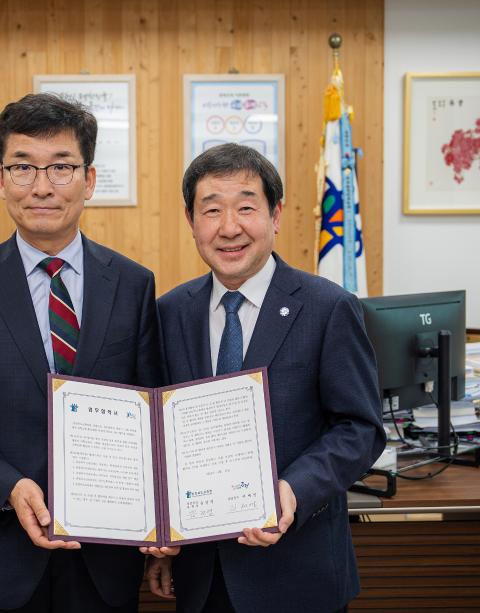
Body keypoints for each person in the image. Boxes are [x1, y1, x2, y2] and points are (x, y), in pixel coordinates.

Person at [0, 93, 161, 612]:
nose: (43, 187)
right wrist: (8, 487)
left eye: (62, 167)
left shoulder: (134, 285)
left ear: (89, 180)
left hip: (105, 558)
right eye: (23, 167)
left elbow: (151, 411)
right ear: (1, 180)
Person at [146, 143, 385, 613]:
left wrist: (293, 490)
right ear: (191, 219)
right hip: (202, 574)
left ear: (275, 215)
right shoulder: (170, 312)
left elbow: (360, 428)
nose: (229, 227)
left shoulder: (329, 307)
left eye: (246, 208)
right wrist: (157, 530)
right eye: (211, 210)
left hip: (298, 571)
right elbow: (158, 433)